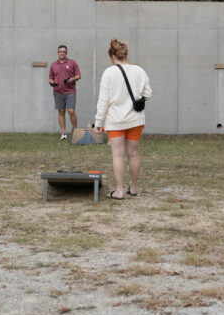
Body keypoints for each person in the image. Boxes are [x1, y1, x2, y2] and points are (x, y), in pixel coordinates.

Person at [93, 38, 152, 200]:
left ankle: (119, 191)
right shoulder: (139, 71)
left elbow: (103, 100)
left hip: (115, 121)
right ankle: (133, 188)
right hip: (136, 120)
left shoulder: (109, 73)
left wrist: (98, 122)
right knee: (133, 154)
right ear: (125, 54)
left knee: (117, 155)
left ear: (113, 57)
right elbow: (148, 94)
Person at [48, 44, 81, 140]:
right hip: (58, 91)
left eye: (64, 51)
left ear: (66, 53)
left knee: (71, 111)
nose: (62, 53)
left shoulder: (72, 63)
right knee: (61, 111)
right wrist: (51, 82)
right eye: (60, 51)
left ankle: (75, 131)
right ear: (58, 53)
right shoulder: (53, 65)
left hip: (70, 91)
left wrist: (72, 79)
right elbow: (50, 78)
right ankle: (63, 133)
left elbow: (79, 75)